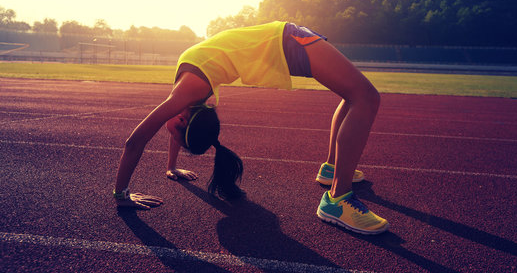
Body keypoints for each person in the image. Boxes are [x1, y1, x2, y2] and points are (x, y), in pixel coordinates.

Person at [114, 21, 388, 235]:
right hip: (284, 41)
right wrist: (170, 166)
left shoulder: (187, 94)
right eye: (171, 132)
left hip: (284, 41)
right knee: (362, 96)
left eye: (172, 133)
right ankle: (334, 186)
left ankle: (336, 190)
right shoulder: (189, 92)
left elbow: (135, 141)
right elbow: (177, 124)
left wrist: (121, 194)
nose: (166, 129)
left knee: (360, 97)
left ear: (184, 117)